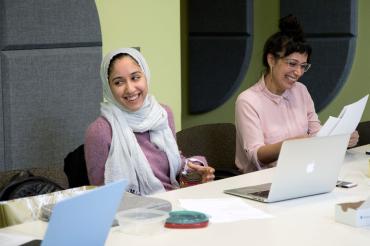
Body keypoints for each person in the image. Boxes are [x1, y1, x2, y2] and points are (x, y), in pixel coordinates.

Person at [235, 15, 359, 173]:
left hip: (300, 171)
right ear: (271, 60)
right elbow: (256, 155)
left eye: (303, 66)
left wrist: (340, 138)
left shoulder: (301, 90)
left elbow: (316, 132)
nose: (298, 72)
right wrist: (291, 144)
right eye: (292, 64)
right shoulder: (247, 101)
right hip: (260, 181)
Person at [85, 47, 215, 195]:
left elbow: (174, 163)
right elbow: (101, 193)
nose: (130, 89)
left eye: (135, 78)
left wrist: (195, 172)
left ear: (145, 76)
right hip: (132, 212)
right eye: (118, 82)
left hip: (174, 200)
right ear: (108, 87)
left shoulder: (162, 114)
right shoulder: (100, 131)